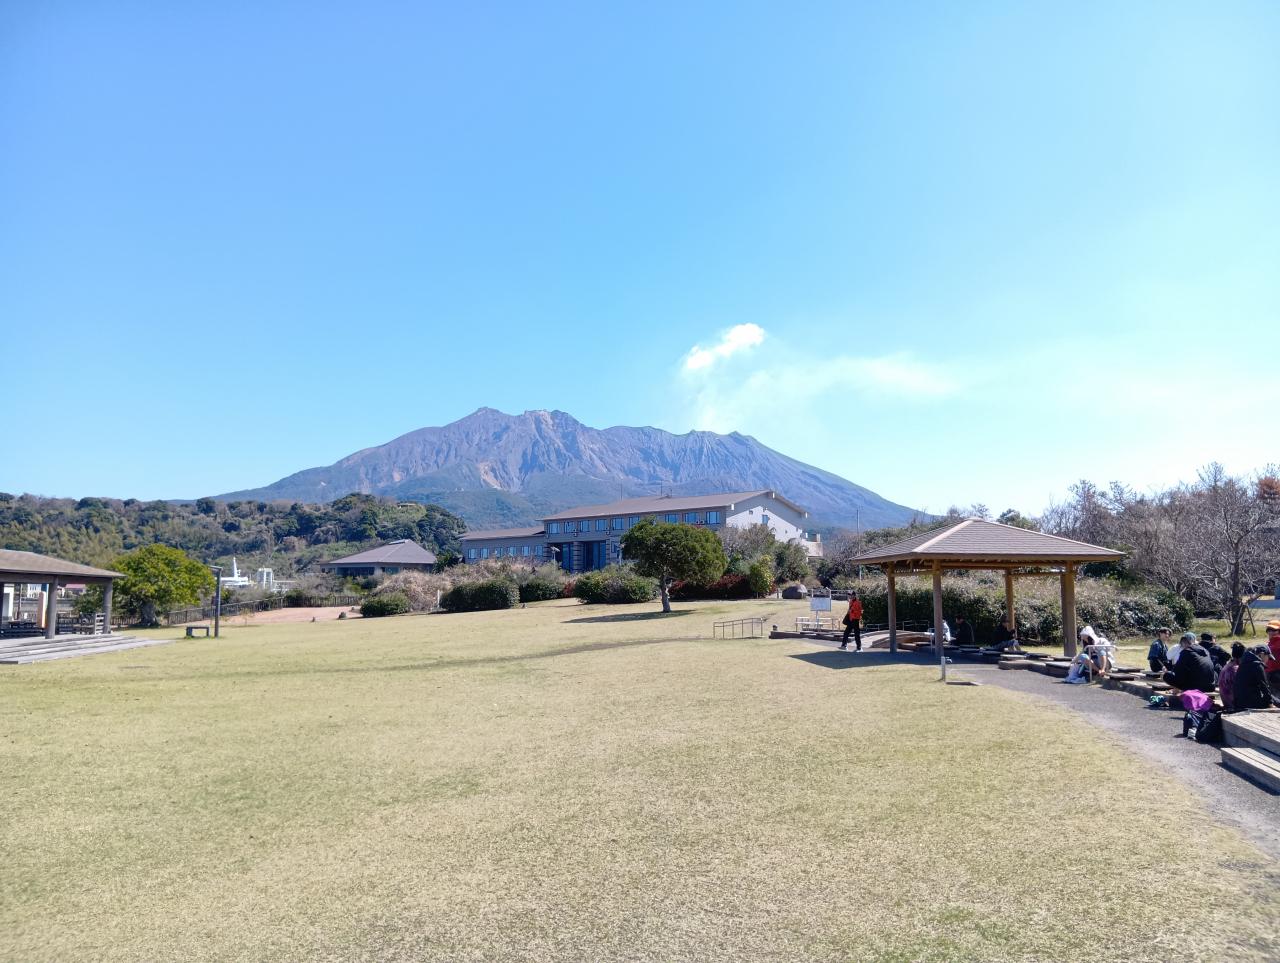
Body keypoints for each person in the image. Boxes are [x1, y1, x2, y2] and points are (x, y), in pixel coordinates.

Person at [1233, 643, 1279, 711]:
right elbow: (1264, 687)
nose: (1268, 661)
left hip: (1240, 703)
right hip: (1251, 703)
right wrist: (1270, 703)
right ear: (1262, 654)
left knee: (1273, 698)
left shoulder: (1244, 662)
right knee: (1275, 701)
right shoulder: (1257, 665)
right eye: (1268, 657)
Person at [1217, 642, 1244, 713]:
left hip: (1226, 701)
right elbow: (1239, 689)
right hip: (1232, 705)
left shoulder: (1228, 665)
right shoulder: (1235, 669)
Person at [1265, 620, 1280, 689]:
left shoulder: (1277, 643)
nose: (1271, 632)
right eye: (1269, 630)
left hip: (1275, 674)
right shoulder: (1270, 642)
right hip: (1269, 673)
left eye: (1274, 630)